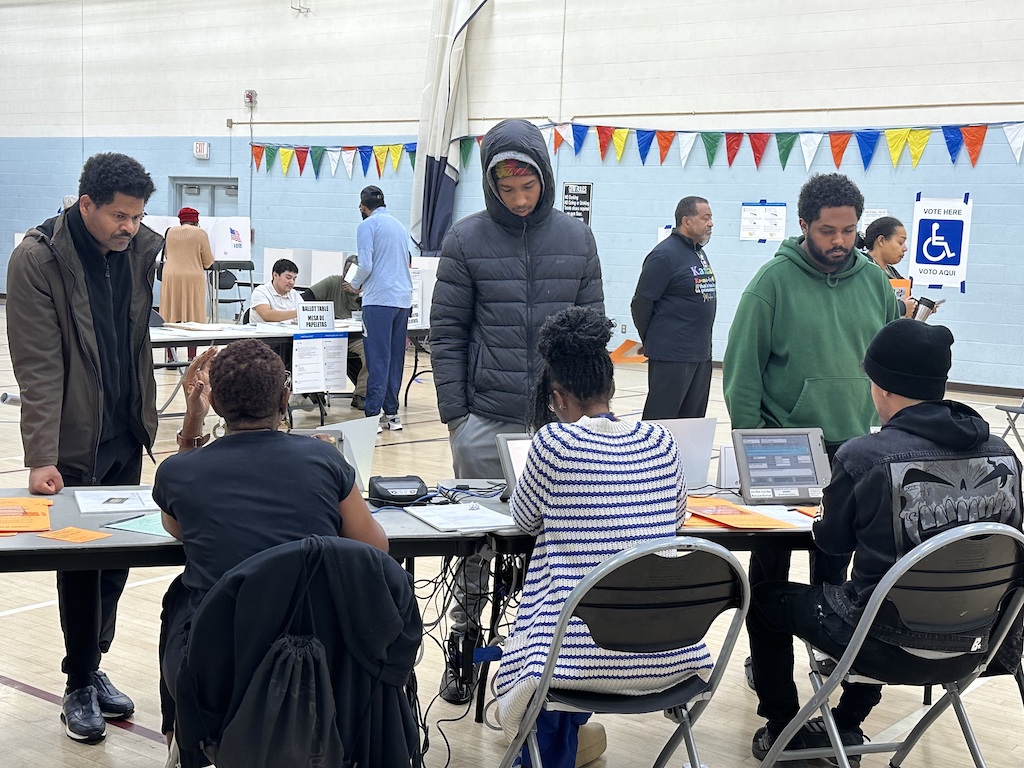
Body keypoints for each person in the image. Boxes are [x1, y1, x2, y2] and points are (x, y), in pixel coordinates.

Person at [748, 319, 1023, 762]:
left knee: (765, 601)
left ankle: (784, 727)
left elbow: (832, 544)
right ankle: (846, 724)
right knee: (882, 592)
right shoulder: (1004, 455)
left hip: (884, 645)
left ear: (881, 387)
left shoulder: (865, 456)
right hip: (978, 644)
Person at [430, 118, 604, 703]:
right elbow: (447, 332)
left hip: (563, 426)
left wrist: (588, 414)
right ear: (491, 186)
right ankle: (464, 645)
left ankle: (547, 654)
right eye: (508, 191)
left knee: (560, 541)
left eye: (529, 188)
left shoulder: (578, 240)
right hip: (485, 417)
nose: (521, 200)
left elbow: (591, 334)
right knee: (474, 542)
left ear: (545, 180)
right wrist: (457, 414)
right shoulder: (464, 239)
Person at [494, 307, 713, 768]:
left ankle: (543, 750)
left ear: (558, 398)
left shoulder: (554, 443)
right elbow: (675, 520)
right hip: (667, 654)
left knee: (547, 633)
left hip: (577, 661)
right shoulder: (659, 442)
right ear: (612, 388)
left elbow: (526, 519)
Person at [153, 339, 388, 749]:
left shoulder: (180, 472)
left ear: (218, 405)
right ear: (284, 397)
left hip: (219, 665)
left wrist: (192, 425)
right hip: (316, 657)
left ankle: (183, 735)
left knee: (179, 600)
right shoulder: (324, 460)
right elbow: (375, 550)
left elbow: (177, 527)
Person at [722, 173, 900, 701]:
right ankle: (772, 679)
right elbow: (742, 376)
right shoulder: (771, 283)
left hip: (856, 451)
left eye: (848, 231)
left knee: (835, 573)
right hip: (785, 448)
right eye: (827, 231)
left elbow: (890, 362)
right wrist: (754, 449)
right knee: (772, 569)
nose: (839, 242)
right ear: (804, 226)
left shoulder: (873, 281)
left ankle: (828, 678)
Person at [7, 152, 160, 743]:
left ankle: (93, 666)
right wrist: (42, 453)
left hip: (125, 433)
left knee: (119, 560)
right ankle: (77, 684)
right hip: (74, 445)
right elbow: (38, 365)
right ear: (85, 204)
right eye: (120, 216)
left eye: (138, 216)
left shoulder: (136, 248)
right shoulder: (38, 259)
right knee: (81, 566)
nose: (131, 227)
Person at [631, 195, 717, 419]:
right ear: (687, 221)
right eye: (705, 218)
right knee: (663, 421)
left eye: (711, 218)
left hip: (700, 354)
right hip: (672, 355)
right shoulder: (664, 255)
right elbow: (641, 303)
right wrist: (653, 340)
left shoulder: (698, 252)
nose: (711, 223)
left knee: (692, 422)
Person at [347, 185, 413, 432]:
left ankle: (372, 415)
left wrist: (353, 284)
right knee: (396, 359)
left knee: (377, 358)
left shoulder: (367, 226)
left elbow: (365, 265)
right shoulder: (398, 225)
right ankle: (392, 415)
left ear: (362, 207)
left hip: (378, 301)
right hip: (402, 300)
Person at [310, 254, 368, 410]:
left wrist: (360, 294)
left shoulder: (368, 288)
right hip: (329, 336)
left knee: (372, 351)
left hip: (354, 338)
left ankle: (361, 394)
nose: (347, 275)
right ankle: (312, 390)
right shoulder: (333, 282)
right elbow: (307, 297)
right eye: (346, 270)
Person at [858, 215, 923, 319]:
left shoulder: (891, 272)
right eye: (900, 242)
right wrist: (901, 307)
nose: (905, 248)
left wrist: (918, 307)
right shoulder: (862, 270)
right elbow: (865, 308)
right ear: (881, 241)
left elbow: (904, 300)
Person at [158, 207, 214, 323]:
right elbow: (208, 261)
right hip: (192, 276)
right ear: (196, 221)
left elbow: (168, 254)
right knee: (193, 309)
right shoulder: (200, 233)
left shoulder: (170, 231)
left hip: (170, 275)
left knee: (171, 306)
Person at [249, 258, 302, 322]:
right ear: (275, 275)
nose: (292, 282)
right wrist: (299, 312)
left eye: (294, 279)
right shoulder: (261, 291)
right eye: (288, 277)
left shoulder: (295, 295)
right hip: (265, 331)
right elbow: (266, 315)